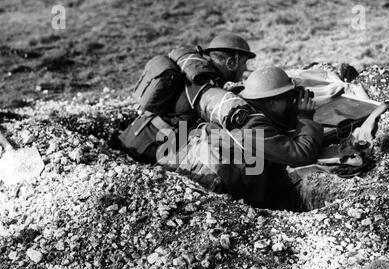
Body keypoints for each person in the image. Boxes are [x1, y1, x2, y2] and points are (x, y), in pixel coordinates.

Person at [159, 66, 324, 210]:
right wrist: (305, 117)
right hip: (205, 194)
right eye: (287, 98)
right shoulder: (252, 124)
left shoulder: (236, 105)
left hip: (190, 172)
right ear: (271, 103)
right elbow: (302, 154)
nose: (292, 102)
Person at [118, 33, 256, 164]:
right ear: (231, 62)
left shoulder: (197, 73)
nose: (245, 68)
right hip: (146, 150)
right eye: (244, 62)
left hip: (136, 137)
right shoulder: (203, 83)